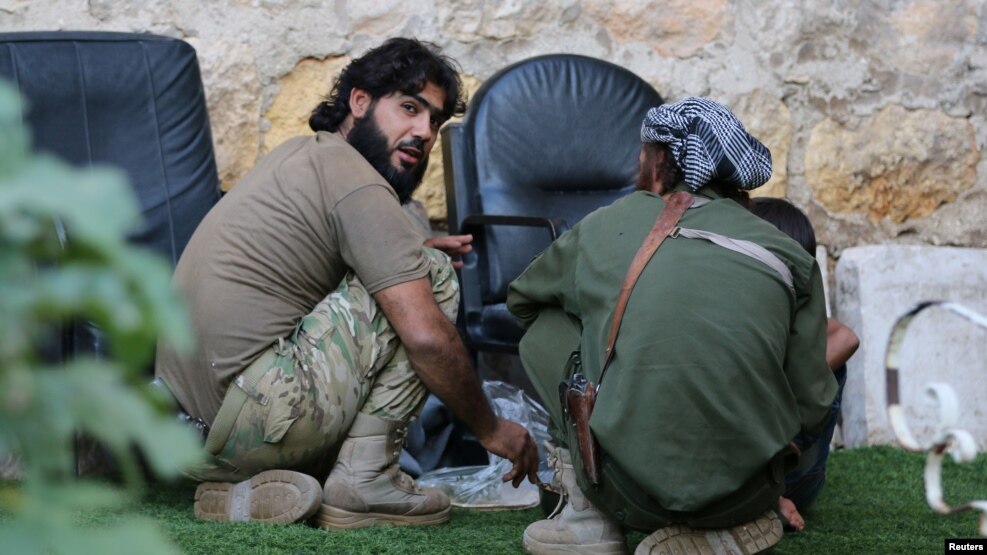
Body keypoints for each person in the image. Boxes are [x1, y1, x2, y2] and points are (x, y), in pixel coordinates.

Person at [154, 37, 539, 529]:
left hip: (185, 438)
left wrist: (402, 249)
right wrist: (491, 428)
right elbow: (425, 337)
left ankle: (242, 491)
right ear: (360, 102)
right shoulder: (357, 179)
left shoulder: (301, 156)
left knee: (412, 264)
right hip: (251, 422)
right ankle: (365, 482)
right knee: (433, 278)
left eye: (435, 120)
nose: (423, 132)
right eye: (408, 107)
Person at [507, 97, 838, 555]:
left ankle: (586, 513)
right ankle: (731, 524)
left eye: (642, 153)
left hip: (624, 491)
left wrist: (603, 331)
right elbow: (813, 404)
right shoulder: (790, 254)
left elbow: (522, 301)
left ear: (660, 161)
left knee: (546, 325)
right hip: (751, 490)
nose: (635, 164)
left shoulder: (607, 224)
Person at [750, 198, 859, 531]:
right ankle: (759, 501)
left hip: (785, 476)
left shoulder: (791, 314)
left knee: (828, 366)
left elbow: (846, 337)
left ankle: (765, 496)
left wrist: (783, 379)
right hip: (736, 469)